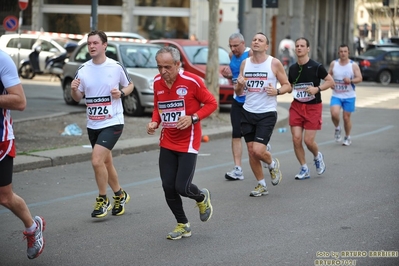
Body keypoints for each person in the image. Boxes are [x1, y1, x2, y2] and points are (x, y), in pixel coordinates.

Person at [147, 46, 217, 239]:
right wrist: (155, 121)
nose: (163, 72)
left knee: (182, 187)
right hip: (167, 141)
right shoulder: (157, 82)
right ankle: (182, 224)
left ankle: (201, 197)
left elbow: (212, 103)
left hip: (188, 142)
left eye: (167, 67)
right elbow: (157, 107)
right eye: (159, 67)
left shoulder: (192, 81)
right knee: (167, 186)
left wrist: (193, 118)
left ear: (178, 64)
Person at [71, 30, 134, 218]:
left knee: (96, 160)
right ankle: (120, 195)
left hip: (113, 122)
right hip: (93, 124)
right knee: (106, 162)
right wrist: (74, 90)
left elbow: (129, 85)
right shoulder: (83, 69)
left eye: (95, 43)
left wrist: (122, 93)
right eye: (89, 43)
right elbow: (77, 98)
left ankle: (102, 199)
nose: (91, 46)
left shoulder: (115, 67)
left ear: (104, 45)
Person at [0, 49, 45, 259]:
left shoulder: (2, 59)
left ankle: (32, 226)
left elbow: (19, 101)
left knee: (4, 196)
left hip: (1, 139)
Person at [235, 32, 291, 197]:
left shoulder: (274, 63)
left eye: (260, 40)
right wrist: (239, 85)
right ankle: (261, 185)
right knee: (251, 151)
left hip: (266, 113)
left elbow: (288, 85)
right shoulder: (245, 64)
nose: (256, 42)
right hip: (247, 111)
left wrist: (277, 91)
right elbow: (238, 92)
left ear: (266, 46)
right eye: (254, 39)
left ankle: (272, 164)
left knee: (259, 151)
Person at [287, 37, 335, 180]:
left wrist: (317, 89)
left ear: (308, 49)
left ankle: (317, 156)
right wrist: (282, 88)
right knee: (296, 139)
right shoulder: (293, 68)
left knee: (308, 141)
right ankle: (304, 168)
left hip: (313, 107)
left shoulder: (316, 67)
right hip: (296, 106)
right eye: (297, 46)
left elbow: (330, 81)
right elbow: (290, 86)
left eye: (302, 46)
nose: (299, 48)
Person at [221, 33, 253, 181]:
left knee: (252, 138)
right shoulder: (230, 55)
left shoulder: (251, 53)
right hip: (238, 99)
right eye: (231, 46)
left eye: (235, 46)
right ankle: (238, 169)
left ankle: (264, 148)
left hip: (252, 101)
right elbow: (235, 75)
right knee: (236, 134)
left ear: (243, 43)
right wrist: (227, 74)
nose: (233, 49)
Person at [328, 44, 362, 146]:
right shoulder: (334, 64)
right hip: (336, 95)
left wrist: (350, 80)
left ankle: (347, 137)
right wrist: (331, 82)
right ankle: (337, 128)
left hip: (349, 96)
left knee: (346, 118)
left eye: (345, 51)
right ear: (339, 53)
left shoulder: (353, 65)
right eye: (341, 51)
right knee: (334, 113)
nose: (343, 53)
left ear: (348, 53)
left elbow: (359, 78)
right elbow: (328, 74)